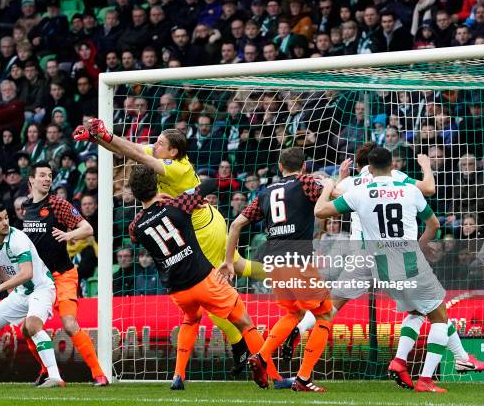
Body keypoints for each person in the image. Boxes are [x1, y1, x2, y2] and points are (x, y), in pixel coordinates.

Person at [74, 118, 268, 376]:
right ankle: (286, 275)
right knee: (239, 265)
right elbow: (127, 149)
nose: (154, 145)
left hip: (201, 233)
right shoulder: (161, 156)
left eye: (160, 143)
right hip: (207, 221)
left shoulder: (177, 168)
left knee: (210, 300)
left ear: (173, 152)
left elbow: (133, 153)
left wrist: (106, 135)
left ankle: (241, 347)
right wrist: (96, 138)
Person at [313, 147, 479, 393]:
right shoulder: (408, 189)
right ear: (393, 165)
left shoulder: (359, 192)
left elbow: (320, 211)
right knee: (439, 316)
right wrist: (420, 245)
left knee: (416, 311)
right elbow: (433, 224)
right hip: (409, 262)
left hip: (382, 269)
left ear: (369, 168)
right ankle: (427, 379)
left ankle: (401, 361)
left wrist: (328, 185)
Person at [127, 164, 285, 390]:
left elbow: (135, 232)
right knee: (245, 323)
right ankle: (276, 378)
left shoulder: (137, 225)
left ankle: (178, 376)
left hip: (177, 290)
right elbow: (210, 184)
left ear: (134, 194)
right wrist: (175, 199)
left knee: (191, 320)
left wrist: (153, 208)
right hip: (203, 279)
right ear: (156, 186)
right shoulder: (177, 205)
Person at [221, 148, 333, 392]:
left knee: (294, 315)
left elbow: (237, 224)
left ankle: (261, 356)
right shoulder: (306, 182)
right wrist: (335, 181)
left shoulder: (265, 193)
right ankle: (303, 379)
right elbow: (329, 199)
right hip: (299, 261)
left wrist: (229, 260)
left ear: (280, 167)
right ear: (303, 167)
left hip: (275, 264)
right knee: (325, 315)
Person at [21, 162, 108, 386]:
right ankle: (45, 370)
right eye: (42, 175)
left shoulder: (58, 204)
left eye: (49, 176)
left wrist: (69, 236)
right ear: (31, 180)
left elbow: (87, 229)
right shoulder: (26, 207)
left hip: (63, 275)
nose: (47, 179)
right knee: (27, 329)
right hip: (39, 280)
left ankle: (99, 374)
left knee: (69, 324)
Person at [0, 203, 64, 388]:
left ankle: (55, 377)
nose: (5, 223)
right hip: (20, 293)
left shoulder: (18, 239)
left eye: (6, 217)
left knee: (33, 325)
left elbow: (27, 273)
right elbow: (4, 268)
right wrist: (11, 290)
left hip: (41, 288)